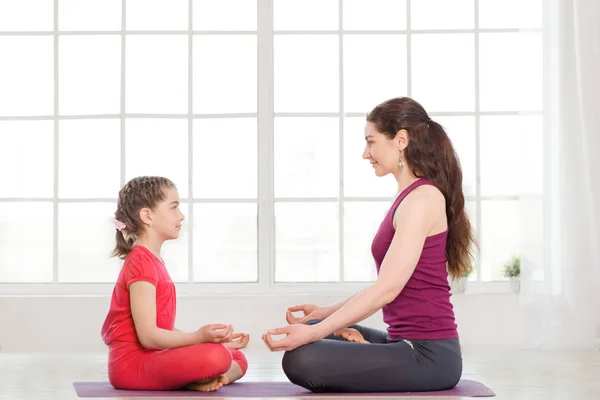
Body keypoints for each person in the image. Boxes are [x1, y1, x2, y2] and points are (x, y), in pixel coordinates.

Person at [262, 97, 475, 393]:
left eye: (371, 142)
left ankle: (357, 350)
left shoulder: (423, 199)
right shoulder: (410, 197)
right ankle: (358, 346)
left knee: (303, 355)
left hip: (428, 355)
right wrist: (326, 313)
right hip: (401, 342)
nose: (366, 153)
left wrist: (316, 332)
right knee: (312, 330)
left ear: (400, 140)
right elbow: (387, 283)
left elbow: (386, 289)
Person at [101, 176, 249, 392]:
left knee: (235, 356)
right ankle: (198, 377)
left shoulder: (151, 259)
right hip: (132, 366)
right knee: (218, 356)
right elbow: (149, 337)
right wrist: (199, 337)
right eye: (173, 207)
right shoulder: (140, 263)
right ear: (147, 216)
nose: (181, 215)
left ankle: (208, 379)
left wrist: (208, 341)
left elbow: (162, 327)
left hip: (152, 358)